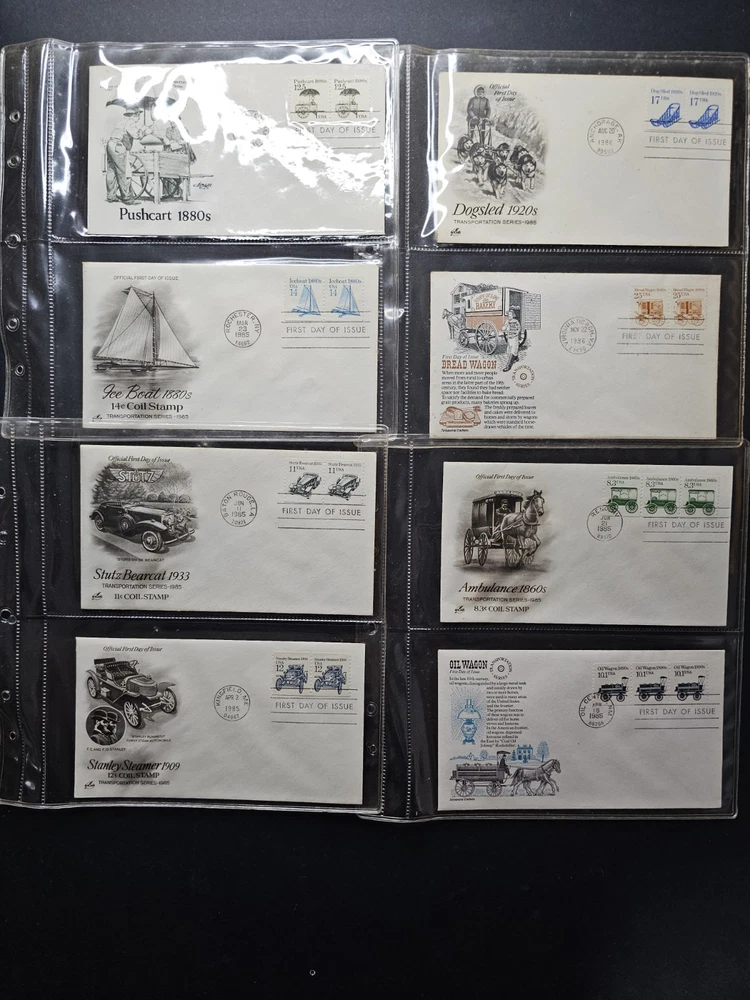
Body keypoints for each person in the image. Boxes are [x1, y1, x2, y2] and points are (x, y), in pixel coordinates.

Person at [105, 107, 144, 204]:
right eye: (138, 115)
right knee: (123, 172)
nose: (139, 118)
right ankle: (127, 198)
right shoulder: (130, 122)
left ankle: (111, 196)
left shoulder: (122, 122)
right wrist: (142, 132)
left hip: (110, 145)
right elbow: (136, 135)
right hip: (118, 147)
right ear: (133, 115)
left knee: (111, 171)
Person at [502, 307, 522, 372]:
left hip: (514, 338)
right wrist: (505, 326)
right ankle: (516, 357)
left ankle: (508, 366)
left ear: (513, 315)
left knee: (513, 351)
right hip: (509, 338)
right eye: (508, 314)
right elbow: (503, 328)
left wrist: (516, 333)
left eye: (510, 314)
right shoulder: (507, 321)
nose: (509, 315)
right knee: (511, 349)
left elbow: (519, 328)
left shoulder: (516, 321)